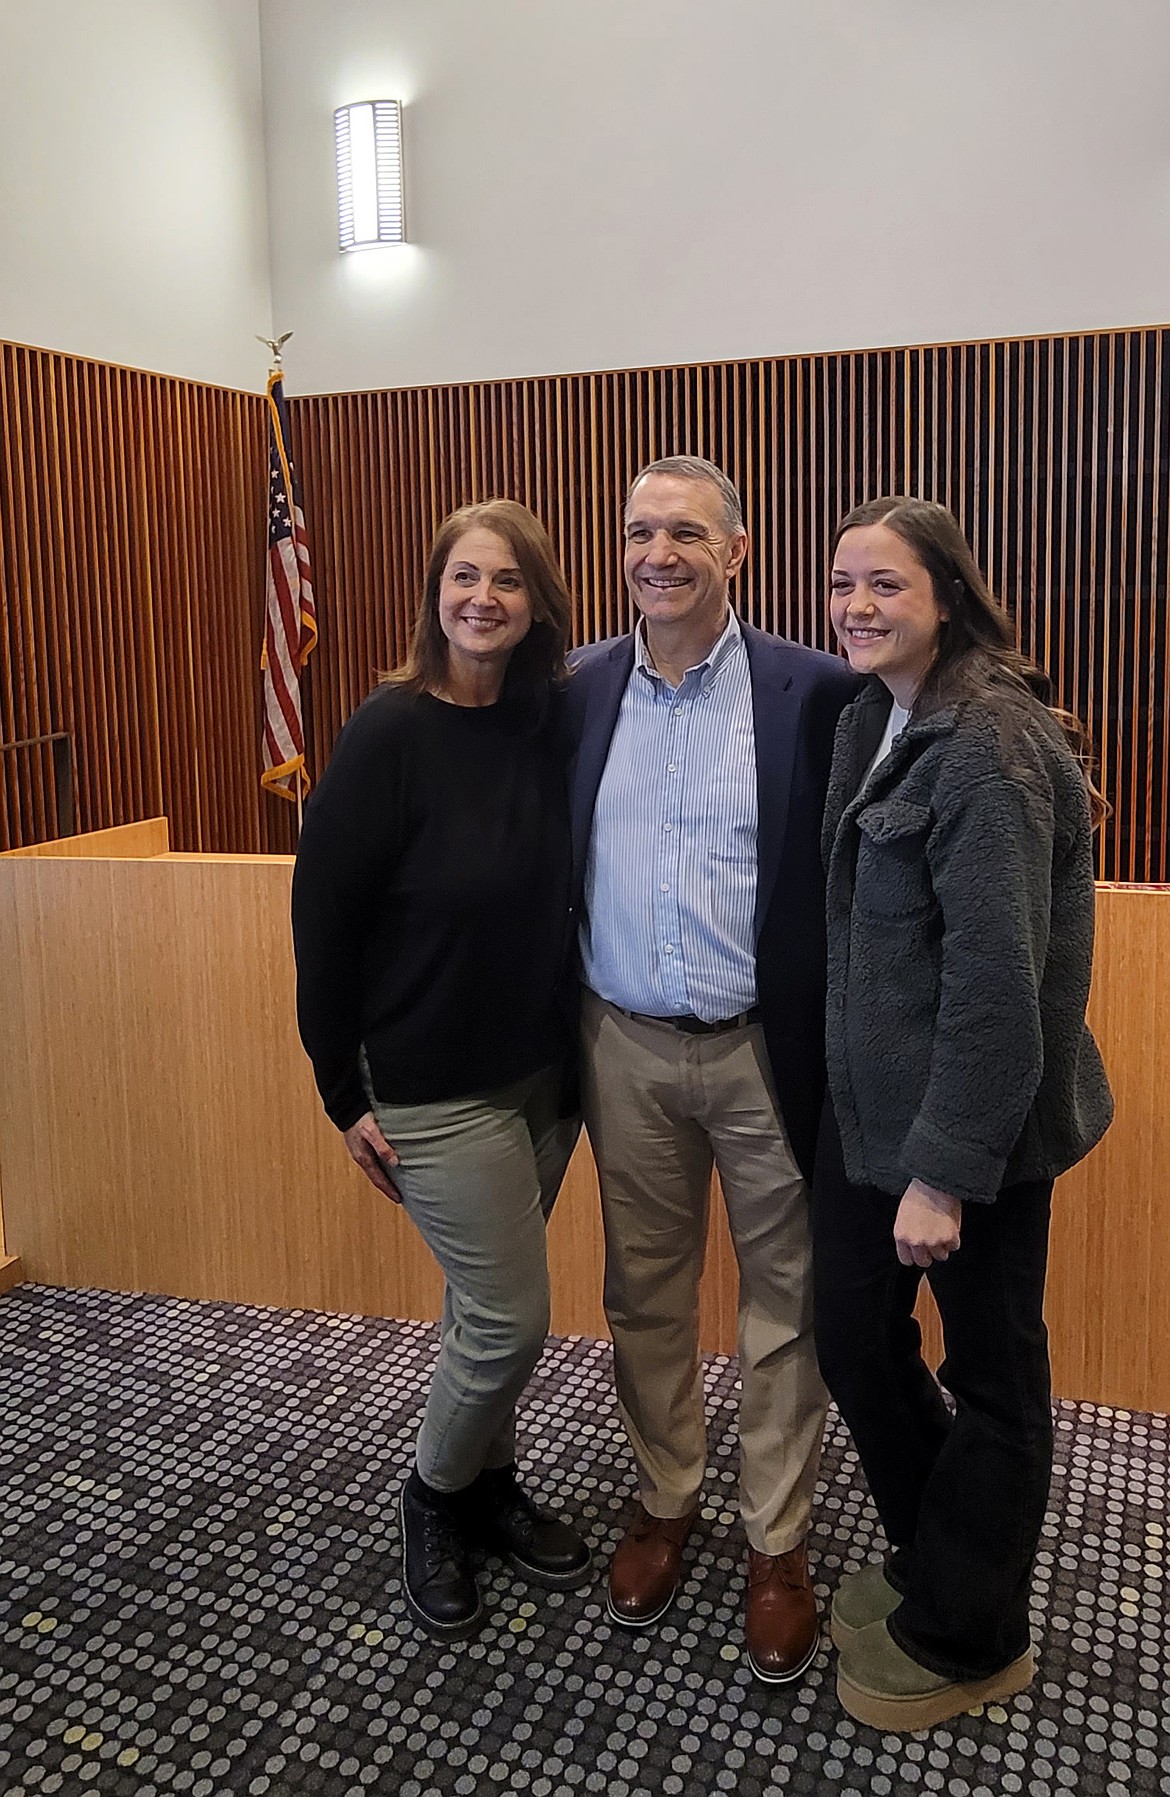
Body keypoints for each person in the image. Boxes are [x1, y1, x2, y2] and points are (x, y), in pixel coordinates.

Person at [814, 495, 1114, 1730]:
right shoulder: (872, 718)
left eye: (886, 585)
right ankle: (951, 1550)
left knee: (993, 1376)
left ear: (946, 594)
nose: (857, 608)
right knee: (855, 1340)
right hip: (869, 1121)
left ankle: (972, 1630)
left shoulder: (988, 745)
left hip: (973, 1138)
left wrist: (943, 1173)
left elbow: (1000, 993)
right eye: (841, 583)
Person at [563, 455, 860, 1684]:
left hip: (765, 1051)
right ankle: (666, 1495)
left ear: (737, 551)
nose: (658, 554)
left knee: (788, 1304)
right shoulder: (574, 688)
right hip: (621, 1044)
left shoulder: (816, 691)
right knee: (645, 1292)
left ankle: (777, 1541)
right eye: (639, 532)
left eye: (686, 532)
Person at [291, 499, 591, 1643]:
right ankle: (431, 1495)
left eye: (508, 582)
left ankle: (487, 1487)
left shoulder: (547, 721)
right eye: (464, 577)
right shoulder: (387, 733)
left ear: (535, 605)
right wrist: (340, 1093)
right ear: (435, 592)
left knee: (479, 1305)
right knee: (512, 1322)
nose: (483, 598)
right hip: (432, 1086)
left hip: (542, 1079)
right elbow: (321, 921)